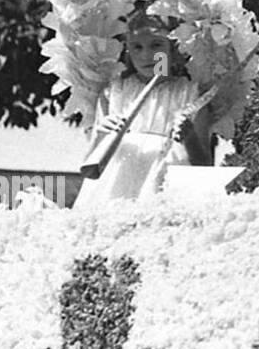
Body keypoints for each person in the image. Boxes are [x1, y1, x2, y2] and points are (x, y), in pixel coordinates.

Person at [74, 12, 213, 208]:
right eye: (137, 47)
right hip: (116, 189)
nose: (146, 55)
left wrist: (189, 138)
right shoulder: (114, 92)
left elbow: (204, 165)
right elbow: (90, 164)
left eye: (156, 45)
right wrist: (101, 134)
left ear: (173, 50)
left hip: (166, 188)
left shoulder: (191, 94)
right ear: (128, 51)